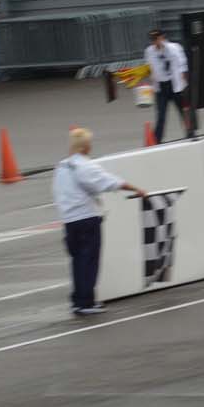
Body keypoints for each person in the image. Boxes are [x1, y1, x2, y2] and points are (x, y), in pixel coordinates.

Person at [52, 128, 147, 316]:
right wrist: (136, 189)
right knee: (89, 260)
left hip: (69, 220)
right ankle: (87, 301)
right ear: (85, 145)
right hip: (86, 218)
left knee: (78, 260)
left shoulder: (62, 166)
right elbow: (109, 182)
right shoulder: (85, 166)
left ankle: (78, 300)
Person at [143, 28, 193, 142]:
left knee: (183, 111)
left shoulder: (174, 48)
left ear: (162, 37)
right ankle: (156, 139)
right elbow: (148, 68)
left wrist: (185, 84)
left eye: (157, 38)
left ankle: (191, 132)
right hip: (161, 86)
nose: (155, 41)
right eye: (153, 39)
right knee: (161, 115)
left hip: (175, 85)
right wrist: (149, 80)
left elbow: (183, 65)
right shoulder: (149, 51)